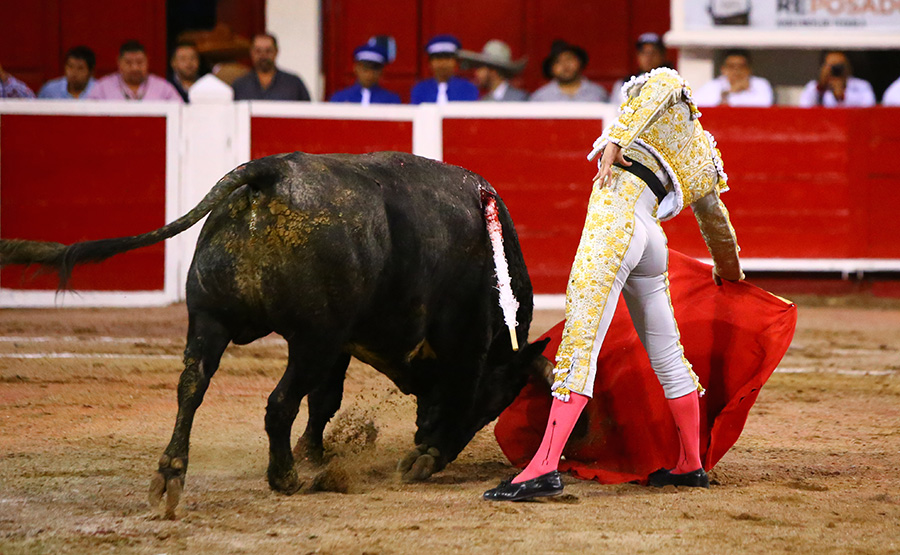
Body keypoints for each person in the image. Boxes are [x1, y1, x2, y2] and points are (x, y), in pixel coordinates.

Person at [484, 67, 743, 501]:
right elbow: (717, 223)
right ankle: (690, 464)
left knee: (580, 343)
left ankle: (543, 468)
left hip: (615, 220)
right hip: (651, 238)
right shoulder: (701, 154)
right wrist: (729, 271)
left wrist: (617, 140)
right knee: (668, 354)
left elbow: (662, 85)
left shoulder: (662, 90)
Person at [87, 40, 182, 101]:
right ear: (119, 62)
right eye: (128, 63)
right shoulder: (102, 88)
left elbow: (180, 112)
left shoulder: (163, 88)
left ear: (147, 61)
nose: (135, 68)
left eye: (140, 62)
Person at [232, 33, 311, 101]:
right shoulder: (240, 85)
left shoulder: (294, 84)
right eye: (258, 51)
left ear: (276, 52)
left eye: (268, 51)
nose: (263, 55)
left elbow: (308, 114)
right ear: (251, 53)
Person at [530, 40, 608, 102]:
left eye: (569, 59)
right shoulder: (540, 98)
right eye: (558, 61)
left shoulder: (598, 94)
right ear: (551, 69)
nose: (565, 65)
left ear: (579, 62)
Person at [410, 35, 479, 104]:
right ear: (429, 63)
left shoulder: (467, 88)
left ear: (456, 61)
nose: (443, 63)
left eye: (447, 58)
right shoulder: (420, 89)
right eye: (438, 58)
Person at [693, 49, 773, 107]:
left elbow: (765, 104)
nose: (736, 70)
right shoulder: (712, 86)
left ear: (749, 69)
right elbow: (698, 108)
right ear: (723, 69)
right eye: (731, 66)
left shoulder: (760, 84)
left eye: (741, 66)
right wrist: (730, 92)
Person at [610, 33, 671, 106]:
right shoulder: (624, 84)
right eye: (644, 53)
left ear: (662, 56)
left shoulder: (671, 83)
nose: (648, 58)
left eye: (653, 53)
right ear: (638, 56)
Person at [798, 51, 875, 108]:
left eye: (839, 66)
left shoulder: (862, 85)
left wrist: (842, 96)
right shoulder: (814, 87)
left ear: (848, 67)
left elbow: (869, 107)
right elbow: (804, 106)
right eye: (831, 66)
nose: (836, 70)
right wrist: (821, 87)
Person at [458, 40, 528, 101]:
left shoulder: (521, 99)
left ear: (493, 71)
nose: (476, 73)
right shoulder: (483, 103)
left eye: (480, 68)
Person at [329, 43, 401, 104]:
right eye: (365, 69)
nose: (369, 74)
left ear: (381, 72)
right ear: (356, 69)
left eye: (374, 70)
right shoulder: (340, 98)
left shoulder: (391, 100)